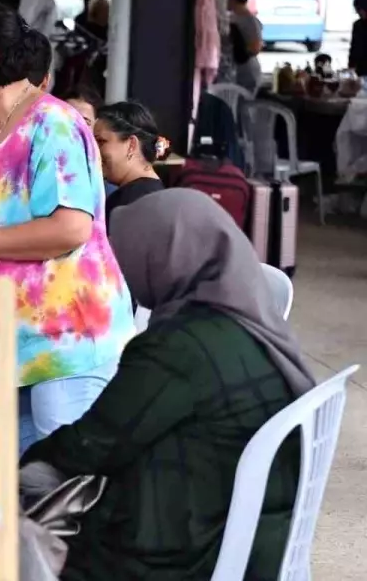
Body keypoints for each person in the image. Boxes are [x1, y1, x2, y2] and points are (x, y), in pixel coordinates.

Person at [22, 189, 313, 581]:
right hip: (254, 539)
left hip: (183, 553)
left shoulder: (178, 347)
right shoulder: (257, 327)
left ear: (160, 258)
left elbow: (92, 445)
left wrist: (14, 470)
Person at [0, 2, 134, 453]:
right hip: (16, 350)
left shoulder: (52, 123)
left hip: (64, 346)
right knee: (19, 488)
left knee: (65, 488)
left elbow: (70, 228)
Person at [94, 101, 166, 227]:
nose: (94, 150)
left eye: (101, 141)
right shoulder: (156, 193)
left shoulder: (127, 203)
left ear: (132, 144)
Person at [227, 0, 264, 94]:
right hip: (237, 71)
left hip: (248, 72)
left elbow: (255, 48)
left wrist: (239, 48)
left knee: (244, 108)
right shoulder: (232, 18)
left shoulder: (250, 21)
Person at [350, 0, 367, 79]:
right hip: (360, 69)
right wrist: (351, 66)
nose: (357, 12)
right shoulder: (357, 25)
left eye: (359, 9)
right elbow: (354, 47)